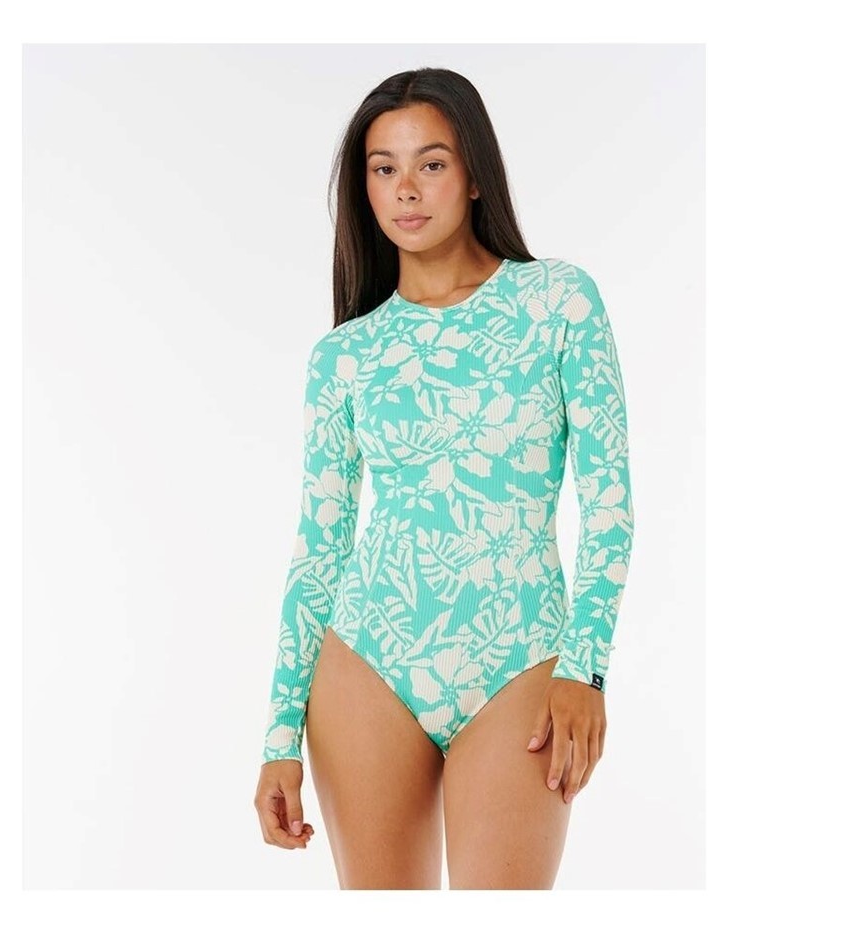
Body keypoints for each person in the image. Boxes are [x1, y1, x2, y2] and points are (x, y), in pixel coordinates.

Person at [253, 67, 635, 889]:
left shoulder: (559, 303)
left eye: (430, 163)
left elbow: (608, 505)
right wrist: (280, 736)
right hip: (367, 664)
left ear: (474, 175)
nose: (406, 189)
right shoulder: (345, 355)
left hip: (522, 661)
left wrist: (586, 668)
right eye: (383, 168)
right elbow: (320, 549)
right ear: (363, 188)